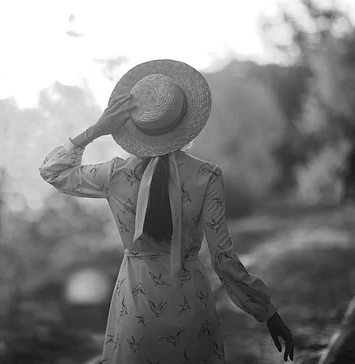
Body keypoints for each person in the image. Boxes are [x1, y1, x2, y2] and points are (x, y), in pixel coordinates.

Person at [38, 60, 294, 363]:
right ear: (184, 121)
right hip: (190, 305)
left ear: (135, 126)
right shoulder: (206, 175)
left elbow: (52, 171)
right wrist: (267, 312)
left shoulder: (115, 174)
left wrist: (95, 131)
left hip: (135, 308)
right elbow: (223, 261)